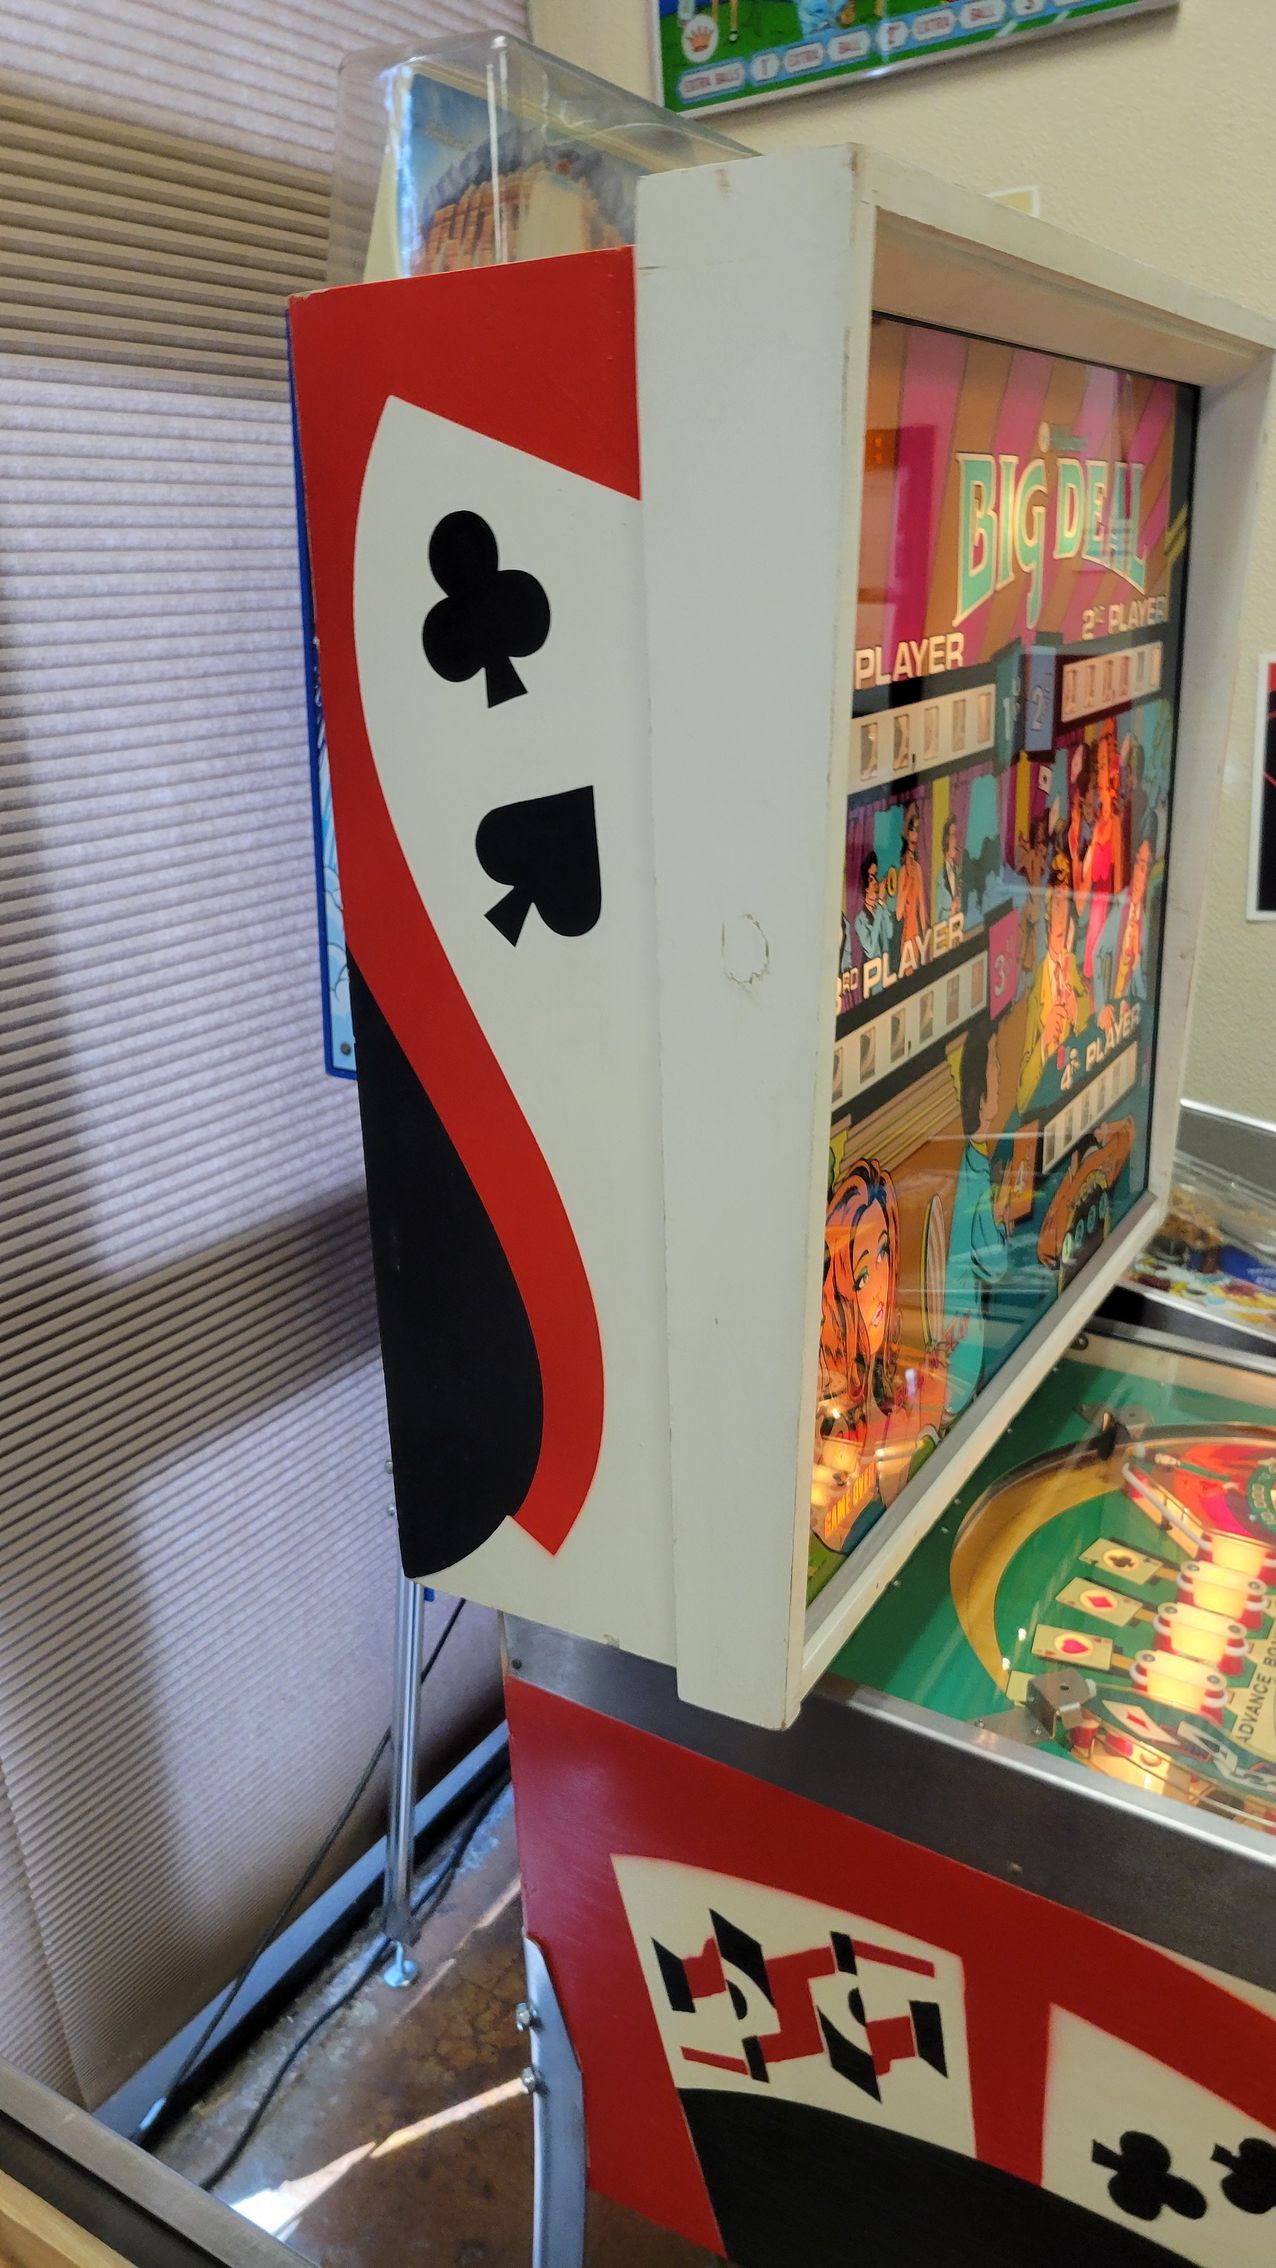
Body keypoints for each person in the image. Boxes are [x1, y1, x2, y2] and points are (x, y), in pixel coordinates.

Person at [943, 1018, 1014, 1421]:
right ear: (980, 1095)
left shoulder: (963, 1160)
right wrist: (1002, 1221)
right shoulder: (974, 1162)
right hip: (961, 1343)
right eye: (995, 1068)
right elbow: (994, 1263)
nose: (1001, 1077)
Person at [1017, 851, 1092, 1114]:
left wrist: (1077, 1012)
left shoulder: (1071, 966)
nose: (1062, 913)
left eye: (1066, 904)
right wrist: (1043, 1044)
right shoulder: (1033, 989)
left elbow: (1087, 1022)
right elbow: (1022, 1097)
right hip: (1044, 1107)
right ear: (1047, 911)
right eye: (1057, 903)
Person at [1070, 723, 1126, 990]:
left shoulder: (1114, 822)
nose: (1104, 776)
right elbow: (1081, 899)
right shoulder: (1096, 830)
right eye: (1101, 767)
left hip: (1109, 921)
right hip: (1095, 919)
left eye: (1106, 765)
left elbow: (1119, 887)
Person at [1015, 813, 1048, 976]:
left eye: (1041, 834)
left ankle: (1027, 971)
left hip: (1035, 901)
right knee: (1026, 936)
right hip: (1031, 901)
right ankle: (1022, 969)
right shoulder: (1032, 855)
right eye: (1038, 833)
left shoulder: (1037, 854)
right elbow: (1020, 867)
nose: (1039, 837)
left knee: (1032, 938)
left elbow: (1040, 867)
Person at [895, 800, 926, 956]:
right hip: (907, 935)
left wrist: (926, 937)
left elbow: (922, 908)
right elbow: (899, 913)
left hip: (917, 936)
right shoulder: (902, 872)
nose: (915, 835)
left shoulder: (918, 868)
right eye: (912, 830)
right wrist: (908, 882)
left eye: (918, 830)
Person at [854, 850, 894, 963]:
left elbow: (890, 933)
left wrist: (882, 904)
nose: (876, 882)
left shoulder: (880, 908)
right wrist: (880, 903)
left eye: (876, 876)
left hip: (885, 972)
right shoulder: (860, 920)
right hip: (871, 975)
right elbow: (870, 950)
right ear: (865, 887)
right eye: (871, 878)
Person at [937, 814, 961, 923]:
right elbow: (939, 912)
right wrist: (951, 910)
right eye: (951, 834)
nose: (955, 839)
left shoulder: (958, 871)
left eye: (955, 834)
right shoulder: (940, 877)